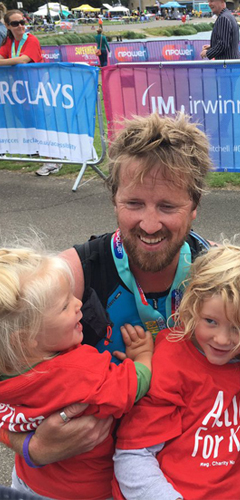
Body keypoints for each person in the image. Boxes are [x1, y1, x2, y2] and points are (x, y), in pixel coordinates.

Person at [0, 113, 214, 471]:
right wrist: (29, 447)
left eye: (167, 206)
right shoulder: (71, 275)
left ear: (194, 208)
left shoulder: (218, 273)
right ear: (114, 199)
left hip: (186, 466)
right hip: (85, 479)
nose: (148, 225)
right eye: (133, 204)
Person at [113, 243, 240, 499]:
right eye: (210, 321)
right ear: (191, 308)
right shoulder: (172, 364)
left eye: (238, 328)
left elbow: (225, 394)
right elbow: (133, 454)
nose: (222, 340)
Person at [0, 246, 154, 499]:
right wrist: (142, 356)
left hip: (27, 480)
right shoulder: (79, 372)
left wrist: (31, 448)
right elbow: (132, 386)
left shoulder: (8, 370)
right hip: (86, 490)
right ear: (25, 340)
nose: (78, 302)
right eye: (63, 306)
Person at [0, 10, 62, 176]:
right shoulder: (8, 41)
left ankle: (53, 160)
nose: (20, 26)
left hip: (36, 89)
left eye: (22, 21)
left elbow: (23, 60)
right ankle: (40, 153)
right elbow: (3, 56)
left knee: (40, 123)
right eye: (15, 23)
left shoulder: (31, 39)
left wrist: (2, 62)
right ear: (7, 26)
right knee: (28, 122)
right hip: (19, 91)